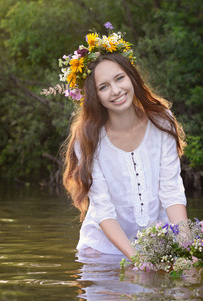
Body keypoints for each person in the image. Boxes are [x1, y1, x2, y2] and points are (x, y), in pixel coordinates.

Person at [54, 24, 188, 260]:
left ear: (132, 77)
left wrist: (188, 249)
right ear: (95, 96)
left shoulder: (162, 122)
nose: (115, 91)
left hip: (158, 246)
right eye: (103, 87)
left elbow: (171, 191)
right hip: (103, 251)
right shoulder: (88, 139)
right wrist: (137, 259)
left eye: (119, 78)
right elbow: (103, 210)